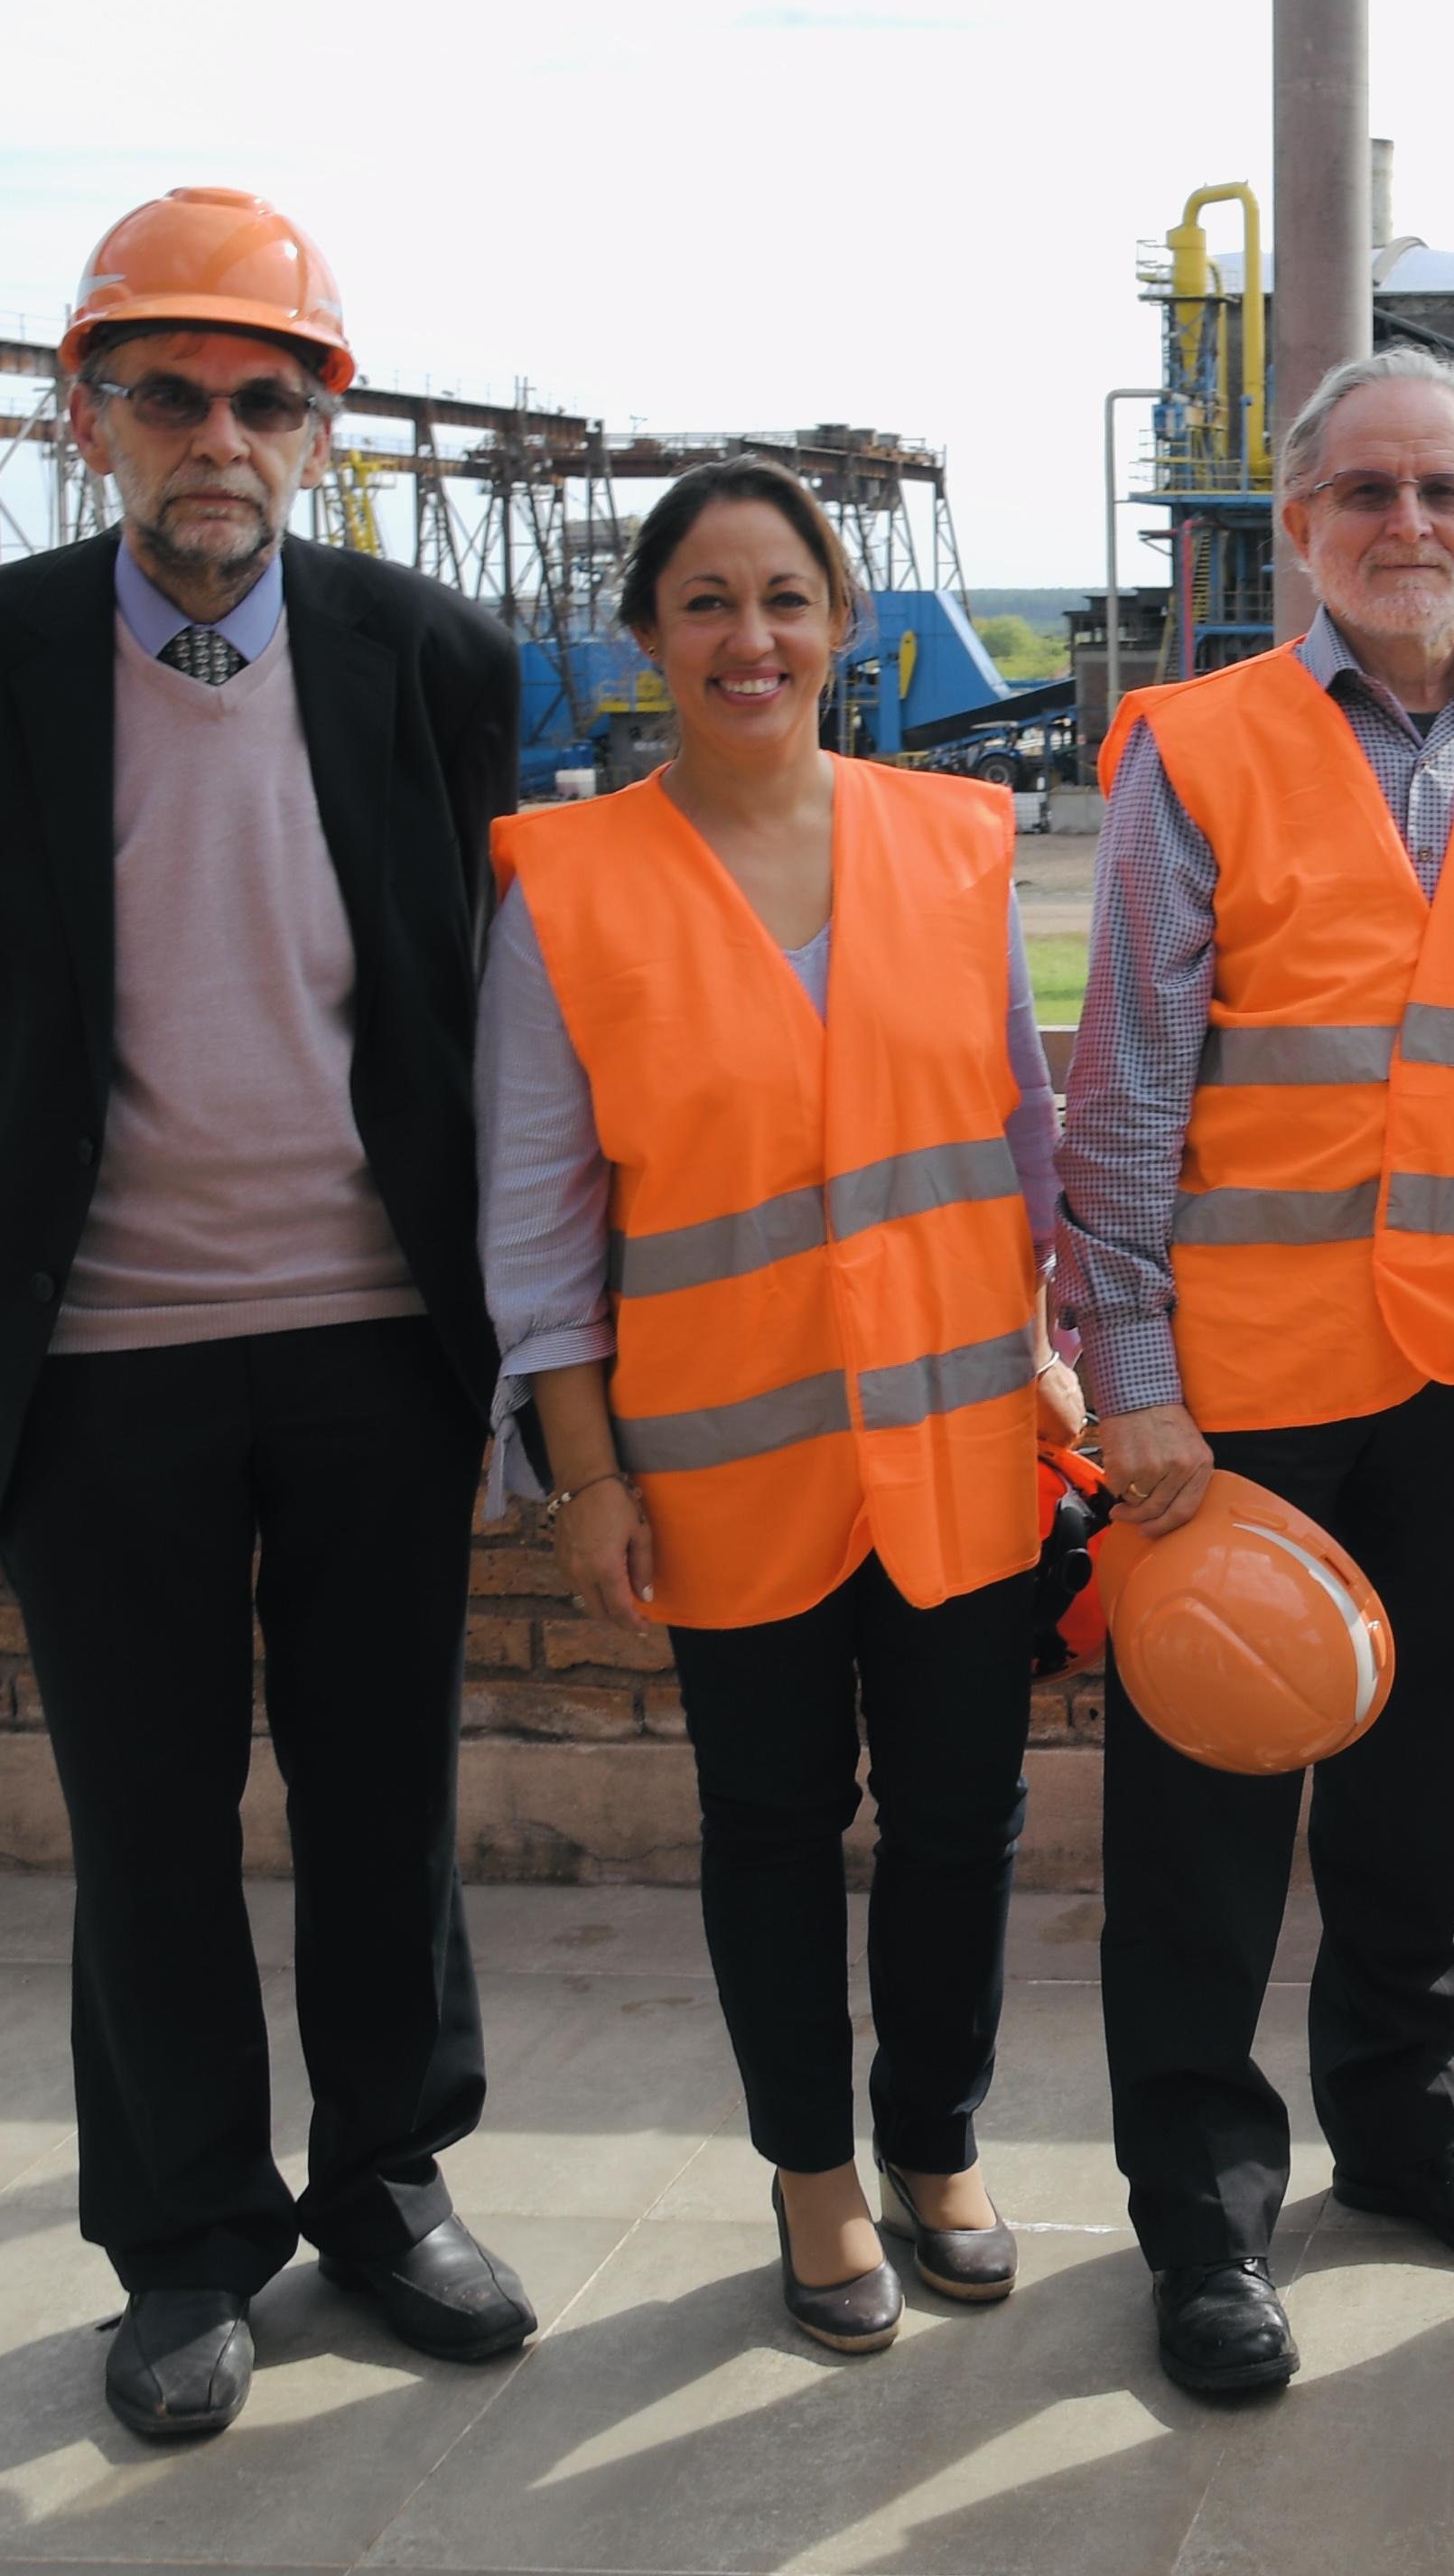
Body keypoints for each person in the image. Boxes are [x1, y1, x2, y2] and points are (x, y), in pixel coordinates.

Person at [0, 189, 528, 2439]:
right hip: (107, 1351)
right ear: (89, 414)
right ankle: (182, 2244)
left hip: (371, 1338)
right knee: (145, 1817)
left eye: (263, 393)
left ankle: (386, 2180)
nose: (213, 434)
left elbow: (456, 1003)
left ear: (321, 423)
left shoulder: (428, 660)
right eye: (167, 393)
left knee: (378, 1796)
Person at [1058, 347, 1454, 2397]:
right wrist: (1127, 1381)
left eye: (1444, 492)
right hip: (1242, 1378)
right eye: (1363, 492)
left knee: (1413, 1792)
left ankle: (1400, 2126)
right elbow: (1123, 1093)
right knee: (1203, 1810)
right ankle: (1201, 2209)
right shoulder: (1193, 749)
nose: (1405, 525)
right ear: (1297, 528)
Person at [481, 459, 1072, 2357]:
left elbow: (1021, 1137)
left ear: (847, 626)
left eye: (788, 598)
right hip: (719, 1461)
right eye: (709, 602)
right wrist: (582, 1474)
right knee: (769, 1825)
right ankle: (813, 2178)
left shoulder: (957, 840)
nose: (753, 637)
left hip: (964, 1439)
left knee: (962, 1820)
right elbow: (538, 1213)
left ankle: (935, 2143)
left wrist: (1053, 1338)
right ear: (647, 636)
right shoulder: (563, 884)